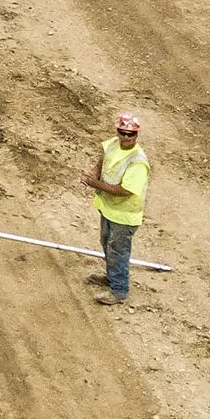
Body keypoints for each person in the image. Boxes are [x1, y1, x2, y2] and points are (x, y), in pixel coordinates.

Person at [83, 113, 151, 305]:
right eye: (123, 132)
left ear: (136, 135)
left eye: (131, 134)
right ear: (118, 132)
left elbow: (125, 191)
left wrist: (94, 183)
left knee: (118, 250)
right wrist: (94, 174)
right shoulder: (113, 144)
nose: (126, 137)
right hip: (109, 209)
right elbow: (102, 159)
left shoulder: (138, 161)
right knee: (107, 243)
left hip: (125, 215)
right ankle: (111, 278)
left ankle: (119, 290)